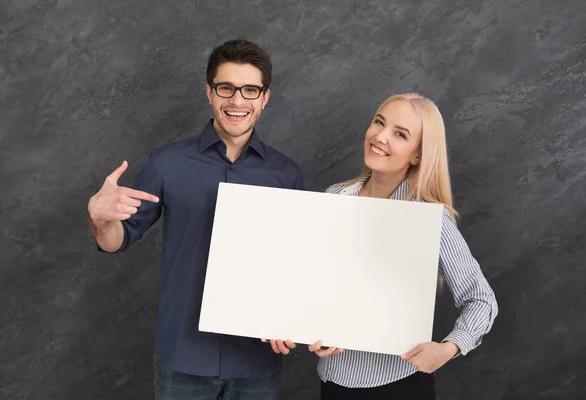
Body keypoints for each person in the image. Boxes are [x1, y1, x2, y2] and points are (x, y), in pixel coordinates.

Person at [87, 39, 303, 400]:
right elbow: (119, 239)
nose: (237, 101)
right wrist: (100, 220)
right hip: (182, 355)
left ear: (265, 97)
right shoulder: (166, 163)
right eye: (226, 88)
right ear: (209, 92)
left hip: (255, 360)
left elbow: (295, 263)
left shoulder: (286, 173)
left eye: (250, 90)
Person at [307, 93, 498, 399]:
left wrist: (448, 349)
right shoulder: (335, 198)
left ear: (418, 155)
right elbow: (317, 282)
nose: (380, 136)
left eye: (400, 134)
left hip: (399, 388)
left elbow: (481, 299)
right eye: (379, 122)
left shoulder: (428, 219)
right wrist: (311, 328)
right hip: (332, 383)